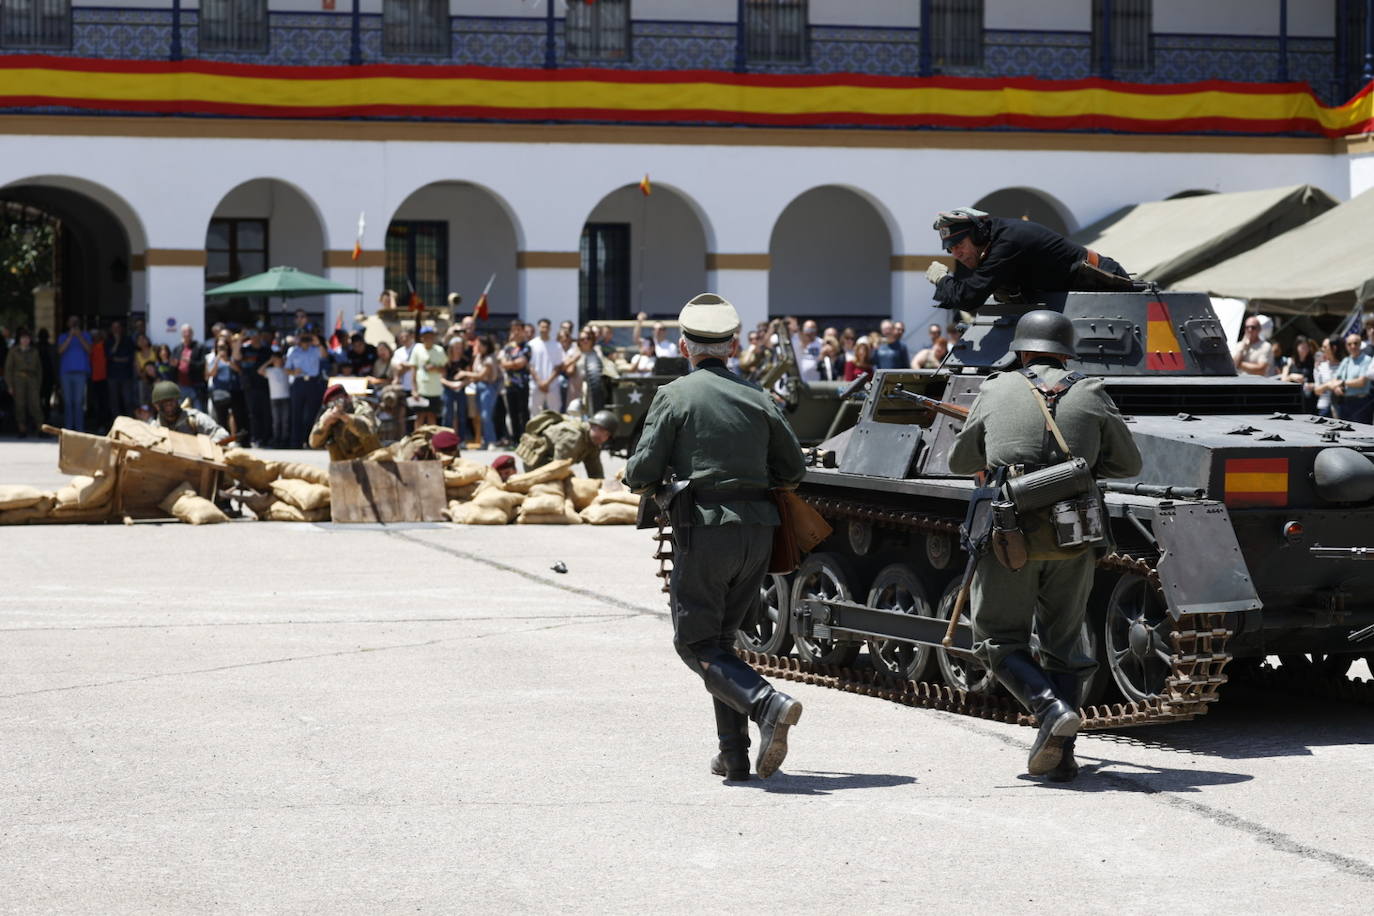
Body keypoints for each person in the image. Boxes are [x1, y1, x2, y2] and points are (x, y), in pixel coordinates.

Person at [947, 309, 1142, 782]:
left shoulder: (997, 388)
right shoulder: (1091, 391)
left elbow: (959, 462)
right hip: (1075, 536)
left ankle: (1049, 709)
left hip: (1011, 536)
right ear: (1065, 350)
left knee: (996, 638)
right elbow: (1129, 463)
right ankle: (1063, 758)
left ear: (1022, 348)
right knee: (1064, 647)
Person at [623, 293, 808, 782]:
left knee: (695, 644)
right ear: (732, 346)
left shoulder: (674, 395)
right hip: (760, 534)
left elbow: (640, 472)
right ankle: (734, 755)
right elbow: (793, 470)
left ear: (685, 346)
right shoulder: (759, 397)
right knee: (722, 643)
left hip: (705, 532)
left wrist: (653, 480)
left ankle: (766, 704)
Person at [926, 209, 1132, 311]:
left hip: (1102, 284)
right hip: (1074, 296)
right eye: (951, 249)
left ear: (978, 234)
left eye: (959, 245)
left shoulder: (1008, 241)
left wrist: (943, 280)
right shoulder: (996, 243)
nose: (956, 254)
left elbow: (969, 297)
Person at [519, 409, 617, 478]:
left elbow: (596, 474)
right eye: (600, 430)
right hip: (537, 462)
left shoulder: (593, 443)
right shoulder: (574, 437)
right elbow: (557, 469)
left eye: (607, 434)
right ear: (592, 425)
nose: (603, 436)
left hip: (552, 465)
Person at [308, 383, 381, 461]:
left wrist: (344, 417)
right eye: (332, 403)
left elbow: (368, 431)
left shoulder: (360, 407)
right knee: (331, 442)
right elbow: (313, 443)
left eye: (339, 400)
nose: (336, 405)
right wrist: (325, 425)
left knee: (368, 438)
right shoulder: (329, 414)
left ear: (348, 397)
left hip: (370, 460)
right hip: (344, 464)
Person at [148, 379, 231, 444]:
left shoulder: (194, 419)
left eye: (171, 402)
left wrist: (208, 445)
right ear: (156, 406)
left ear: (177, 400)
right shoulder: (154, 429)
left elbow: (222, 434)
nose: (169, 406)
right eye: (164, 403)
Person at [285, 330, 327, 448]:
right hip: (299, 382)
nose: (305, 341)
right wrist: (293, 372)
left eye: (307, 339)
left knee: (311, 414)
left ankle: (310, 441)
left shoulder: (315, 350)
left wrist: (318, 342)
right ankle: (296, 442)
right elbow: (286, 369)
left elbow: (324, 355)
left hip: (313, 383)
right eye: (303, 339)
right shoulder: (293, 351)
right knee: (296, 413)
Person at [459, 334, 499, 448]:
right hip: (478, 387)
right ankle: (484, 441)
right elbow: (476, 376)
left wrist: (465, 374)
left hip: (488, 388)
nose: (478, 346)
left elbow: (481, 375)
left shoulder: (490, 358)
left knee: (486, 415)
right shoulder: (478, 357)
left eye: (480, 345)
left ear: (486, 346)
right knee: (480, 416)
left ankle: (491, 441)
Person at [1328, 332, 1374, 424]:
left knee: (1361, 435)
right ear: (1346, 346)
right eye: (1349, 344)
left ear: (1360, 344)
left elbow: (1361, 381)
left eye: (1355, 343)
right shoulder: (1346, 360)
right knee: (1343, 434)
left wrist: (1342, 383)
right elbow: (1334, 380)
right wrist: (1336, 387)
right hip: (1344, 402)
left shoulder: (1367, 360)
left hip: (1361, 403)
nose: (1353, 346)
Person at [5, 328, 43, 438]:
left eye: (27, 338)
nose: (25, 340)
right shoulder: (13, 351)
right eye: (23, 338)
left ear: (30, 339)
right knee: (19, 405)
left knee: (35, 405)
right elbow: (8, 369)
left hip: (32, 380)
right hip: (18, 380)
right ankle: (22, 429)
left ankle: (40, 428)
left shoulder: (34, 352)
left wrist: (38, 384)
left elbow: (39, 370)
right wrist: (10, 385)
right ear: (20, 340)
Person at [57, 315, 92, 431]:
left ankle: (79, 429)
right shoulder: (63, 336)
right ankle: (68, 428)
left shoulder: (86, 335)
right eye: (71, 321)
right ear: (68, 324)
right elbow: (60, 351)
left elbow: (89, 350)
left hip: (80, 373)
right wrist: (70, 337)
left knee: (78, 402)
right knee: (67, 402)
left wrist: (79, 336)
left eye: (76, 321)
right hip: (66, 373)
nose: (74, 323)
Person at [499, 320, 532, 444]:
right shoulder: (508, 347)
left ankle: (526, 439)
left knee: (523, 412)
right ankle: (515, 440)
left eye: (518, 329)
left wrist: (509, 364)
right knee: (512, 413)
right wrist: (511, 364)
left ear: (523, 330)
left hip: (522, 384)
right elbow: (502, 362)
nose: (516, 332)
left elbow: (521, 363)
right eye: (513, 330)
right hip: (509, 384)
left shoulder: (527, 346)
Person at [409, 325, 446, 428]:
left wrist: (435, 368)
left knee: (432, 416)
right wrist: (414, 390)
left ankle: (432, 442)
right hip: (421, 390)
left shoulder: (440, 350)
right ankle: (416, 441)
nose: (428, 339)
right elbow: (413, 371)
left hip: (435, 391)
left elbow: (445, 369)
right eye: (426, 336)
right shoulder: (417, 349)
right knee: (420, 416)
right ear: (422, 338)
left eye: (430, 336)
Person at [528, 318, 564, 413]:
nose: (544, 329)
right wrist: (540, 382)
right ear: (539, 328)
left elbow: (558, 366)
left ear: (550, 328)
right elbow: (530, 365)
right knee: (534, 413)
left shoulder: (557, 345)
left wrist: (547, 383)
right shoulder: (532, 344)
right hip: (536, 385)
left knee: (555, 413)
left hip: (552, 385)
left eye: (546, 327)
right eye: (542, 327)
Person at [105, 319, 137, 420]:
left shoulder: (128, 340)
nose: (116, 330)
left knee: (128, 400)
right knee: (114, 401)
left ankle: (131, 423)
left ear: (121, 329)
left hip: (126, 375)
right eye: (114, 328)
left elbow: (130, 358)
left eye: (118, 327)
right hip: (113, 375)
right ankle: (116, 423)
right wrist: (117, 342)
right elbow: (109, 356)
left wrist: (117, 359)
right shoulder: (108, 341)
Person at [260, 346, 291, 447]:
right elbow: (260, 371)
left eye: (279, 359)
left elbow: (292, 371)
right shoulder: (270, 370)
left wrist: (285, 361)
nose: (277, 361)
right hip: (274, 398)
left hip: (285, 397)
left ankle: (285, 440)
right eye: (275, 359)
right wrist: (269, 361)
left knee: (285, 420)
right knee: (276, 421)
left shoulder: (286, 370)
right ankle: (276, 440)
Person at [172, 324, 207, 411]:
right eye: (184, 332)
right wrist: (173, 365)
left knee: (199, 411)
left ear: (192, 333)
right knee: (181, 411)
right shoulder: (177, 348)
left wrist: (190, 362)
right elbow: (173, 365)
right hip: (181, 386)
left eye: (189, 332)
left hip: (196, 386)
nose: (187, 334)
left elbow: (203, 365)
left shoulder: (200, 347)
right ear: (181, 334)